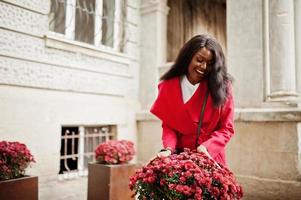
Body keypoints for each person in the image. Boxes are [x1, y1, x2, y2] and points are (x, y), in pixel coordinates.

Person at [150, 34, 234, 166]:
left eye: (210, 63)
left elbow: (226, 128)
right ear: (188, 57)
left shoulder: (222, 87)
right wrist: (168, 149)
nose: (204, 67)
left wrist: (207, 147)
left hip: (210, 157)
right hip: (179, 158)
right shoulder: (169, 86)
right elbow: (169, 125)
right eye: (199, 60)